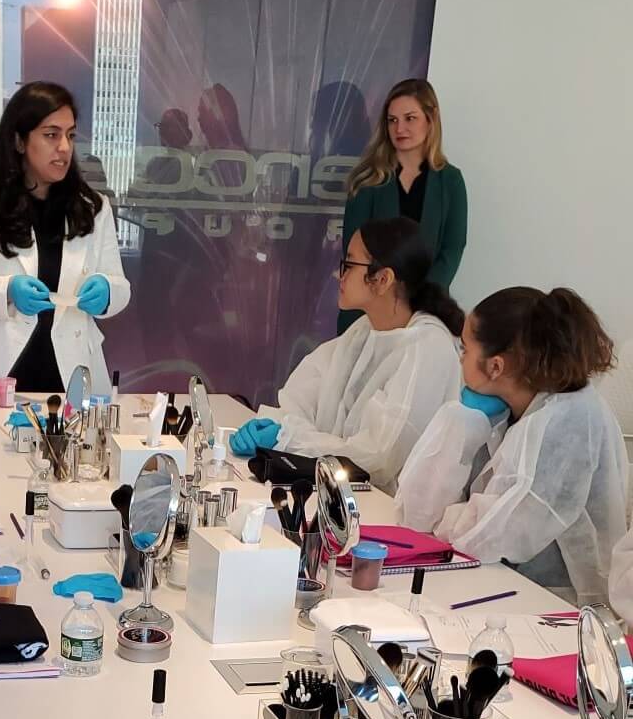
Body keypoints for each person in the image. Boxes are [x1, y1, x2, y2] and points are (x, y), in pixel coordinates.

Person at [396, 286, 627, 604]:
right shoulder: (506, 406)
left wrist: (446, 520)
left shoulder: (569, 422)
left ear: (495, 366)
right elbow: (416, 514)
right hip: (501, 582)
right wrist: (461, 418)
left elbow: (487, 537)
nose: (460, 358)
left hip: (558, 602)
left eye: (465, 349)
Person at [230, 217, 464, 494]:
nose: (338, 274)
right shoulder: (364, 331)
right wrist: (279, 426)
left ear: (383, 279)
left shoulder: (428, 349)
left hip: (393, 510)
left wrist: (290, 438)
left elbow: (380, 458)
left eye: (349, 264)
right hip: (343, 493)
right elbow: (304, 396)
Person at [0, 81, 130, 395]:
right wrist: (7, 290)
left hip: (71, 375)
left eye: (70, 135)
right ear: (19, 141)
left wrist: (108, 291)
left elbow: (121, 288)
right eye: (51, 135)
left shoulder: (92, 207)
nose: (65, 147)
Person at [339, 78, 466, 334]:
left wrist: (418, 298)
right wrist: (387, 296)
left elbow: (452, 248)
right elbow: (355, 250)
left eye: (410, 118)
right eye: (392, 120)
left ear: (431, 119)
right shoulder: (367, 179)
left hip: (425, 309)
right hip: (369, 308)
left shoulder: (450, 181)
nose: (400, 128)